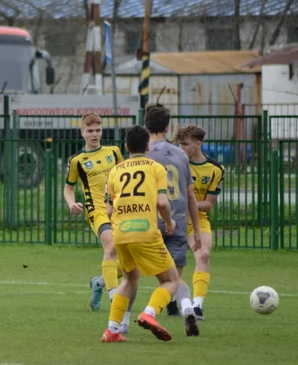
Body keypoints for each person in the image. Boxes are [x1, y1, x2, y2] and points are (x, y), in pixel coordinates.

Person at [103, 126, 181, 343]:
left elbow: (109, 210)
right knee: (171, 280)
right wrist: (168, 222)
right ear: (147, 146)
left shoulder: (115, 171)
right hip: (145, 232)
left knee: (129, 279)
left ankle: (112, 330)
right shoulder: (156, 168)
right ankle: (149, 313)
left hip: (120, 234)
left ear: (126, 147)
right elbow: (163, 202)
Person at [144, 104, 202, 337]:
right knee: (174, 278)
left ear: (146, 125)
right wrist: (196, 229)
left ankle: (138, 317)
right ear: (168, 127)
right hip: (177, 222)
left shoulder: (141, 153)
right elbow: (190, 196)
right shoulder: (180, 154)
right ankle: (186, 307)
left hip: (149, 223)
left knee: (146, 277)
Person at [63, 112, 124, 311]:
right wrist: (71, 203)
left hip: (119, 209)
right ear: (82, 132)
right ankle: (116, 302)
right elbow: (68, 188)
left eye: (97, 130)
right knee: (111, 248)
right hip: (96, 210)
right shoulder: (77, 160)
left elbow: (124, 177)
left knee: (129, 259)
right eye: (90, 130)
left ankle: (99, 282)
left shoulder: (114, 152)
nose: (94, 134)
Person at [174, 125, 223, 320]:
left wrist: (188, 205)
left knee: (203, 255)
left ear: (198, 143)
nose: (181, 148)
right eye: (179, 144)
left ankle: (197, 306)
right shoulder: (176, 164)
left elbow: (208, 204)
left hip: (198, 221)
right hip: (173, 220)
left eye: (185, 144)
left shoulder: (216, 169)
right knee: (157, 265)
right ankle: (103, 280)